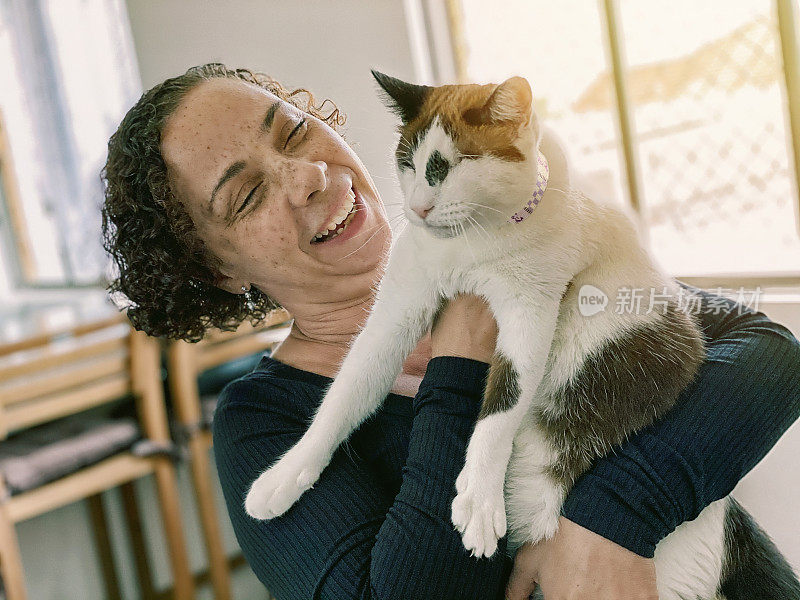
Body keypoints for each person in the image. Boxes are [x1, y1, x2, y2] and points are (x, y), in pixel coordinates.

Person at [101, 63, 800, 600]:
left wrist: (609, 524)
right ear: (216, 272)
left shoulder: (516, 238)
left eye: (293, 131)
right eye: (247, 195)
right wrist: (460, 363)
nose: (310, 175)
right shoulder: (268, 427)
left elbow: (765, 356)